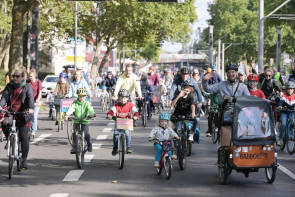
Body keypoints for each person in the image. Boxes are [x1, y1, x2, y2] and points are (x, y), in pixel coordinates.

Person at [0, 66, 34, 169]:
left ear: (23, 77)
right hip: (11, 112)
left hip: (23, 114)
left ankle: (24, 160)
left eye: (17, 76)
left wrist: (30, 108)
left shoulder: (27, 87)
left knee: (24, 137)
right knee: (5, 123)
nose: (14, 78)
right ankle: (9, 138)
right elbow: (4, 97)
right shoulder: (9, 86)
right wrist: (1, 106)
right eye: (13, 76)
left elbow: (30, 100)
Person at [107, 89, 139, 154]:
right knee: (116, 135)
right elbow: (111, 111)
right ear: (119, 98)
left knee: (127, 133)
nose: (123, 99)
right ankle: (115, 148)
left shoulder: (130, 105)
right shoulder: (116, 105)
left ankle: (128, 147)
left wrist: (135, 116)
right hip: (118, 121)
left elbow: (135, 111)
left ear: (128, 98)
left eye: (125, 98)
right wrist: (110, 115)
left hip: (127, 121)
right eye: (121, 98)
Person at [64, 88, 96, 153]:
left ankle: (89, 144)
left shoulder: (87, 103)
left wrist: (92, 114)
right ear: (78, 96)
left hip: (85, 120)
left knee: (86, 133)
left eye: (83, 96)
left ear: (86, 96)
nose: (82, 98)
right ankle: (74, 147)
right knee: (74, 134)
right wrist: (67, 115)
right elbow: (71, 108)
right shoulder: (75, 103)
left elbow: (90, 109)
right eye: (80, 96)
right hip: (76, 120)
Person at [277, 82, 295, 146]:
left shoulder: (294, 96)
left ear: (293, 89)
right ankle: (280, 138)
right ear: (286, 89)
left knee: (293, 123)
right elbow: (281, 102)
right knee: (284, 124)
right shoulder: (284, 96)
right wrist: (280, 106)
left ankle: (291, 135)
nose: (290, 90)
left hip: (292, 112)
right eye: (288, 89)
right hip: (284, 112)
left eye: (291, 89)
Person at [27, 69, 42, 138]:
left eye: (31, 76)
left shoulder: (38, 82)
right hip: (29, 102)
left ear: (34, 76)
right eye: (29, 76)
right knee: (28, 116)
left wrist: (37, 100)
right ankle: (29, 129)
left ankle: (33, 130)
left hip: (36, 102)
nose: (30, 77)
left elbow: (40, 92)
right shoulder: (27, 82)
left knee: (34, 116)